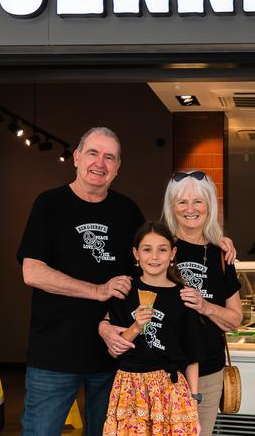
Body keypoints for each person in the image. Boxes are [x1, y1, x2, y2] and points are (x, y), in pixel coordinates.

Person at [17, 127, 145, 435]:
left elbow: (153, 264)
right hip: (54, 355)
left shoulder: (128, 211)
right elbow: (32, 271)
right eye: (93, 153)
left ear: (117, 167)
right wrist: (98, 290)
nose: (100, 163)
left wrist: (211, 239)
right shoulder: (49, 204)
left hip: (112, 355)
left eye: (109, 157)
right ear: (76, 158)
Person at [161, 170, 242, 436]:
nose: (190, 209)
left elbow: (234, 320)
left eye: (198, 201)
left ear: (210, 205)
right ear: (172, 207)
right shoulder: (160, 248)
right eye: (182, 202)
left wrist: (204, 305)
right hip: (162, 371)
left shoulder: (221, 255)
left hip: (208, 372)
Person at [102, 222, 202, 435]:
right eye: (147, 249)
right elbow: (115, 349)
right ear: (136, 254)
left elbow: (192, 356)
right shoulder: (125, 291)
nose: (154, 257)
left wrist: (193, 402)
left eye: (162, 249)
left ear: (172, 253)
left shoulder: (184, 297)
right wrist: (137, 326)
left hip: (170, 387)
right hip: (130, 386)